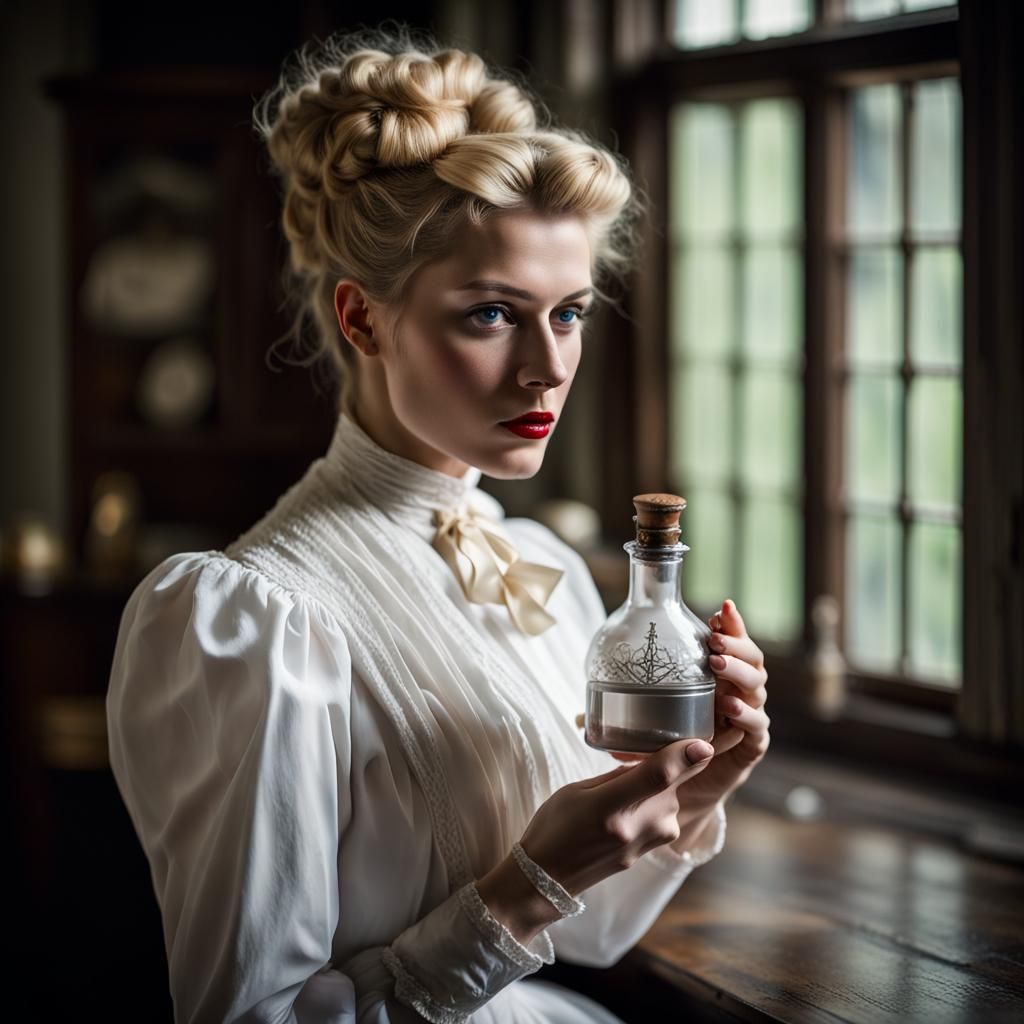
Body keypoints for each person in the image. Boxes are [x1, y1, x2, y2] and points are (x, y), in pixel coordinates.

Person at [105, 24, 771, 1024]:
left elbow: (586, 936)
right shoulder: (248, 622)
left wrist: (692, 789)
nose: (548, 367)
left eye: (570, 312)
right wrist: (527, 878)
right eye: (494, 314)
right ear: (362, 319)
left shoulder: (541, 567)